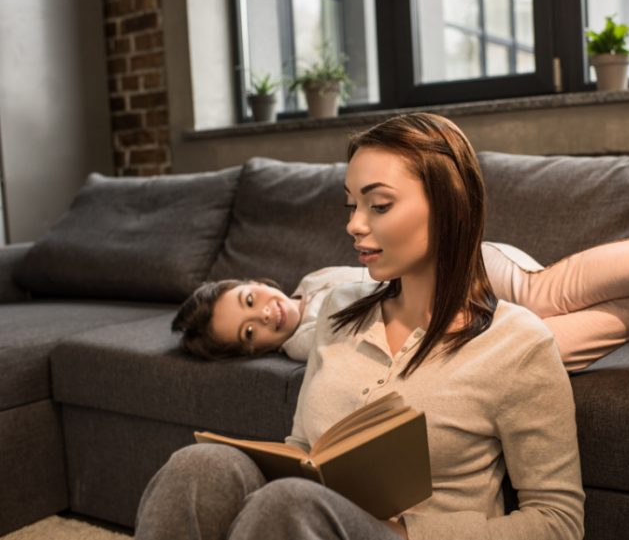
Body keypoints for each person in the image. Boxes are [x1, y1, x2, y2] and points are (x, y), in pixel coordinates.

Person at [135, 112, 587, 540]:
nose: (353, 224)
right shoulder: (338, 308)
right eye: (352, 204)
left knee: (290, 503)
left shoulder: (518, 344)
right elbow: (303, 448)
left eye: (379, 204)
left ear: (448, 205)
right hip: (310, 522)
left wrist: (402, 533)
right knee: (200, 466)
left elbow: (559, 522)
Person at [172, 212, 629, 372]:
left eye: (251, 299)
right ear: (251, 351)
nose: (266, 314)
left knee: (544, 297)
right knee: (539, 347)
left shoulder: (314, 281)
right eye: (249, 331)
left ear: (257, 282)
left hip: (474, 276)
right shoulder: (305, 346)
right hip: (476, 329)